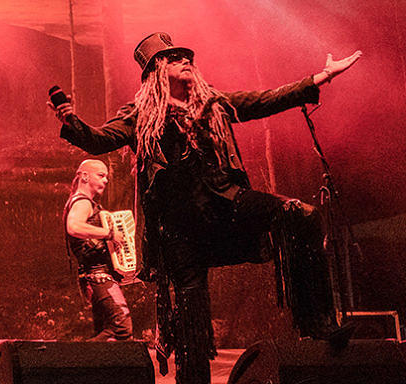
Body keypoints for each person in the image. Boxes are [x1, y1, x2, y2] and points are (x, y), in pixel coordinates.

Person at [50, 33, 361, 384]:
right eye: (174, 58)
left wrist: (321, 77)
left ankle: (318, 323)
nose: (185, 61)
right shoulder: (140, 114)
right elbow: (99, 139)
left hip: (226, 202)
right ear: (156, 70)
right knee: (191, 320)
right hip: (180, 227)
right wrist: (70, 121)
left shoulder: (214, 103)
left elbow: (264, 101)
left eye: (186, 56)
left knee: (301, 215)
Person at [64, 159, 133, 341]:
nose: (106, 181)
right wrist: (109, 233)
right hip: (98, 276)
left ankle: (91, 366)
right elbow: (73, 226)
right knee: (122, 327)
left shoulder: (84, 202)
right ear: (85, 176)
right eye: (101, 175)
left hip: (95, 277)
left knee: (109, 330)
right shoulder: (82, 203)